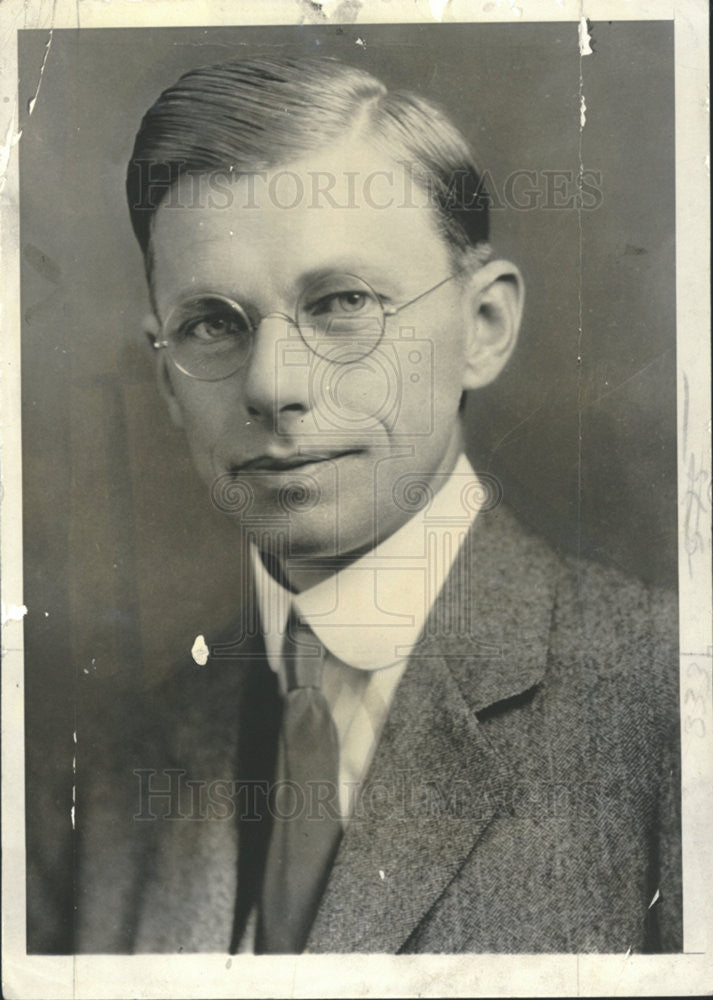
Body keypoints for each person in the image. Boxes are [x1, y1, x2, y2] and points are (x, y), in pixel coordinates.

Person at [72, 54, 681, 954]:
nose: (272, 385)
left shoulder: (672, 706)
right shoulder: (116, 768)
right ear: (165, 374)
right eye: (212, 323)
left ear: (483, 328)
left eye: (342, 303)